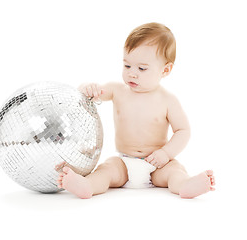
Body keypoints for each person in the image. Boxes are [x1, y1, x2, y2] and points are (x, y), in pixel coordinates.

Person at [55, 22, 215, 199]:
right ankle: (88, 186)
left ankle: (185, 185)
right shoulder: (117, 90)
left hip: (157, 165)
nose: (132, 73)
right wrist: (88, 87)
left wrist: (165, 153)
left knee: (175, 171)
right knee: (106, 170)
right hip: (124, 161)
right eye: (127, 65)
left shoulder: (167, 100)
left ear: (166, 70)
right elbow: (91, 94)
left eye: (141, 68)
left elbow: (183, 131)